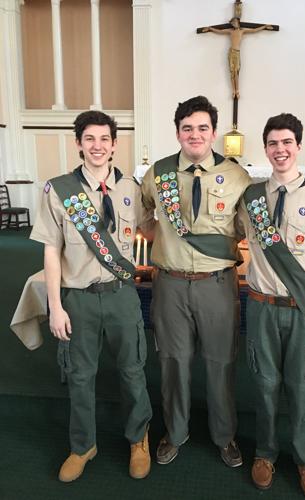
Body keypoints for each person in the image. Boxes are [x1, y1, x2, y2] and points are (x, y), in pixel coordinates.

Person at [30, 110, 153, 482]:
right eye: (90, 139)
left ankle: (138, 439)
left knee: (133, 372)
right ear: (79, 143)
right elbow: (51, 250)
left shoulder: (132, 188)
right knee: (81, 375)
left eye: (104, 139)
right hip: (78, 299)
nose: (97, 146)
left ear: (115, 144)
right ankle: (83, 445)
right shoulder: (59, 190)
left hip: (121, 296)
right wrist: (55, 307)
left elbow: (157, 223)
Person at [141, 95, 250, 468]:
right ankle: (175, 431)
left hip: (217, 285)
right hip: (169, 284)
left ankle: (224, 435)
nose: (195, 134)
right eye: (187, 128)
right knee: (173, 362)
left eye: (202, 127)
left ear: (214, 132)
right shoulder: (159, 174)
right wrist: (166, 244)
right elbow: (141, 217)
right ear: (177, 133)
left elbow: (249, 224)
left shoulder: (237, 176)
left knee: (220, 361)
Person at [238, 113, 305, 499]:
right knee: (264, 384)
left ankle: (304, 458)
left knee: (301, 387)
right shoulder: (251, 198)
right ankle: (265, 453)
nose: (280, 150)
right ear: (265, 149)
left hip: (302, 308)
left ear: (298, 147)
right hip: (262, 305)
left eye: (286, 143)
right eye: (272, 143)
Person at [201, 18, 273, 98]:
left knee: (236, 72)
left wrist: (264, 26)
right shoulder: (230, 31)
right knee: (232, 72)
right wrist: (210, 28)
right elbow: (220, 31)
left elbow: (254, 30)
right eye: (232, 23)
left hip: (237, 53)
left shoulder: (242, 31)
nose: (233, 24)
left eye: (234, 22)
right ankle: (233, 91)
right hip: (231, 52)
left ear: (238, 22)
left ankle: (237, 90)